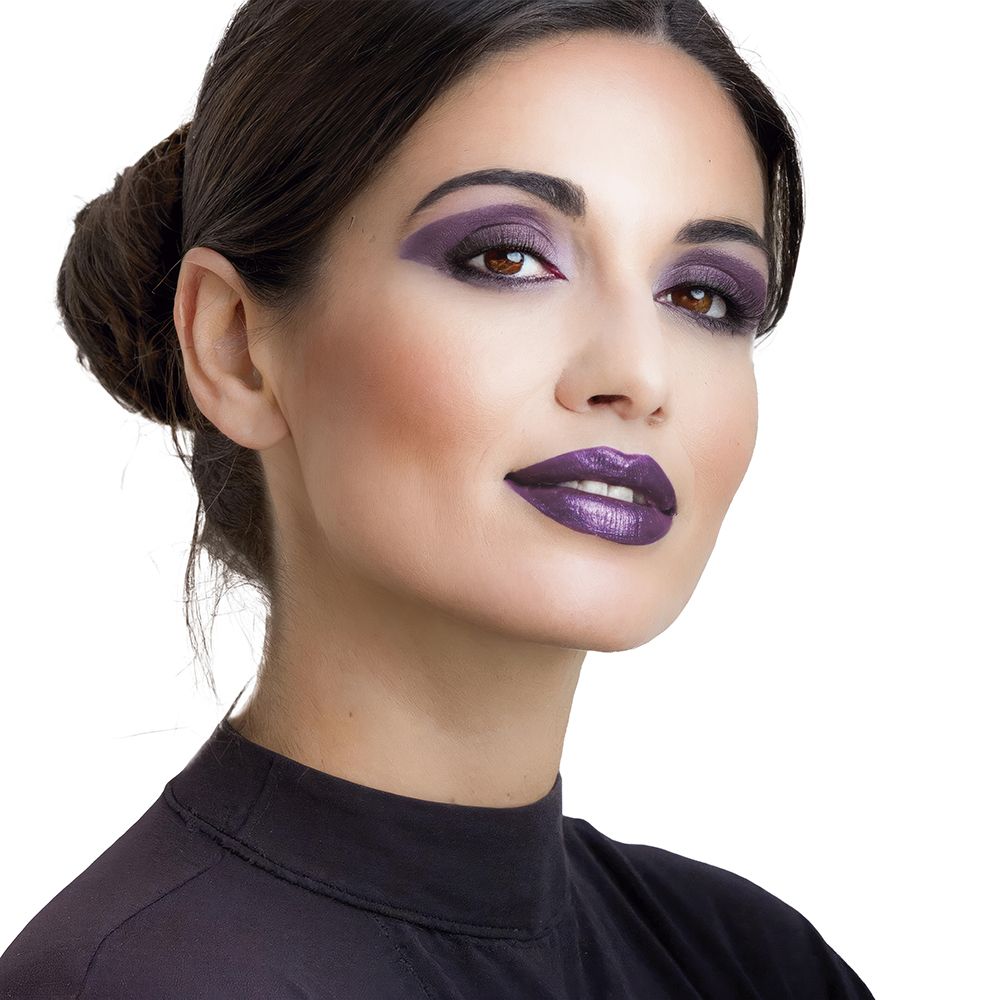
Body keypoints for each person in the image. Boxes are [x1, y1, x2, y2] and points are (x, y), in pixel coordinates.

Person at [0, 1, 876, 996]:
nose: (638, 373)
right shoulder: (140, 981)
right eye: (507, 258)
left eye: (702, 296)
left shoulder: (754, 963)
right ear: (236, 344)